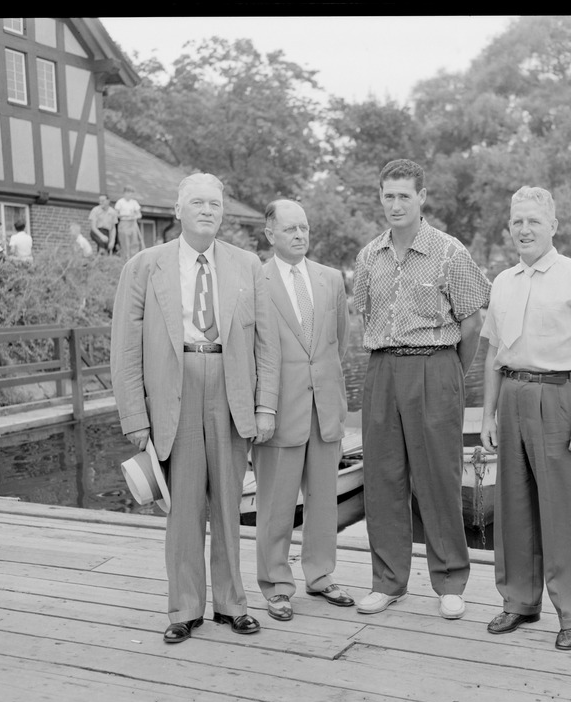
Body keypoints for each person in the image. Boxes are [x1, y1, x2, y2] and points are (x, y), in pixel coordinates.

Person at [111, 172, 281, 645]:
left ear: (223, 212)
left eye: (215, 204)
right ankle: (185, 608)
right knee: (183, 507)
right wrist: (134, 416)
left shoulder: (248, 266)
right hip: (174, 387)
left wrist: (265, 406)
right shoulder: (146, 267)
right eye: (198, 203)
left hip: (231, 388)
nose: (208, 211)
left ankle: (232, 605)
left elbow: (266, 345)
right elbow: (124, 348)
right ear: (179, 211)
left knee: (229, 504)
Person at [351, 158, 491, 619]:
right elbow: (365, 318)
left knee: (438, 479)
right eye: (388, 195)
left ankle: (450, 580)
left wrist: (449, 372)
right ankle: (388, 581)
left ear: (422, 197)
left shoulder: (449, 252)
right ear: (380, 196)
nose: (395, 204)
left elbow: (472, 324)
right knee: (383, 480)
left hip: (435, 367)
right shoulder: (369, 256)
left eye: (404, 196)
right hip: (383, 370)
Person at [479, 186, 571, 652]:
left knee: (563, 512)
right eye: (517, 220)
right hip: (512, 395)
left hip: (560, 397)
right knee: (513, 508)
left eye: (534, 220)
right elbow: (494, 352)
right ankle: (519, 601)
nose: (524, 229)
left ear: (553, 226)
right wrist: (489, 414)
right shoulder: (502, 281)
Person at [251, 199, 353, 622]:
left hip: (324, 405)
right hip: (277, 409)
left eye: (304, 228)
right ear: (270, 234)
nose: (300, 235)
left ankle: (321, 575)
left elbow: (338, 344)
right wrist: (260, 407)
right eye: (290, 229)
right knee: (275, 504)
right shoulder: (255, 279)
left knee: (324, 499)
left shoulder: (331, 280)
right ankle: (276, 585)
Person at [115, 185, 143, 259]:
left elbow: (139, 214)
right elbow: (116, 214)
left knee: (134, 242)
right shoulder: (120, 202)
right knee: (125, 243)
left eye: (132, 193)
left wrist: (134, 216)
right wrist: (126, 215)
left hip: (133, 223)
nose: (130, 195)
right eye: (129, 193)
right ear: (125, 193)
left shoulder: (134, 202)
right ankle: (125, 258)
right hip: (124, 223)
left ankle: (134, 259)